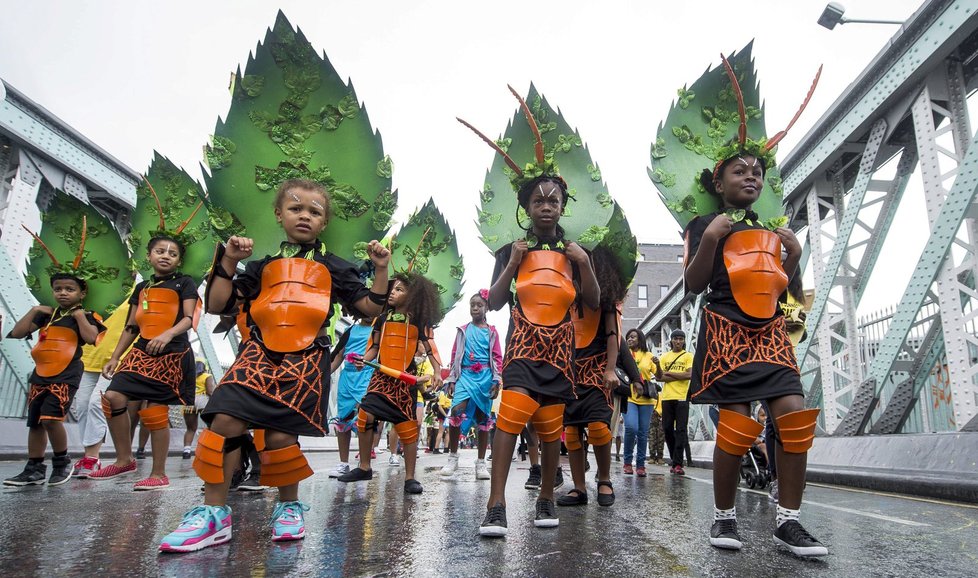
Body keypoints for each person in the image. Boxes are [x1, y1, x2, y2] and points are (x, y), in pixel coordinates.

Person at [159, 178, 391, 552]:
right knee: (224, 420)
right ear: (278, 213)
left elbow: (371, 307)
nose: (305, 216)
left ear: (324, 222)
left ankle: (288, 506)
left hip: (306, 357)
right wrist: (229, 261)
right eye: (296, 208)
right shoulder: (262, 266)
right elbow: (219, 304)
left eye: (315, 212)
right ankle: (213, 513)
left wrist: (381, 269)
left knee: (282, 435)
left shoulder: (336, 267)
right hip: (258, 354)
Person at [682, 56, 826, 557]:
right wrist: (709, 241)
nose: (751, 177)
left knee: (794, 418)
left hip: (770, 334)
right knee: (739, 427)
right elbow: (692, 286)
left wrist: (796, 257)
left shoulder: (771, 231)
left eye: (757, 172)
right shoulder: (705, 226)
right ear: (718, 184)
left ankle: (789, 521)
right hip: (726, 333)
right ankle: (724, 517)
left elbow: (789, 295)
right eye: (739, 171)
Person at [92, 234, 200, 490]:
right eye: (160, 251)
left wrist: (168, 334)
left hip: (172, 351)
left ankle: (159, 473)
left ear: (179, 261)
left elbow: (188, 318)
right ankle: (124, 459)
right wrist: (115, 357)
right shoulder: (142, 288)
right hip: (141, 350)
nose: (166, 256)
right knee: (113, 398)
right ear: (149, 256)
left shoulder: (184, 283)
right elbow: (132, 326)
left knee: (154, 411)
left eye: (173, 253)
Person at [337, 271, 444, 494]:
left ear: (412, 295)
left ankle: (410, 478)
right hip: (381, 379)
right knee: (365, 415)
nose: (392, 293)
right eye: (392, 289)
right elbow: (374, 347)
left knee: (408, 428)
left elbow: (431, 350)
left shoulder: (418, 322)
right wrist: (362, 360)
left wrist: (436, 371)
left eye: (399, 289)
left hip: (406, 382)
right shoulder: (382, 319)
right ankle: (364, 467)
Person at [4, 262, 105, 486]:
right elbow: (18, 333)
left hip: (66, 373)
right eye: (58, 289)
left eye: (70, 289)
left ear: (82, 292)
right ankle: (34, 468)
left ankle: (61, 463)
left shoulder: (89, 315)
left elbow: (91, 338)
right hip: (41, 372)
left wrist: (79, 315)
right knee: (36, 422)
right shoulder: (46, 315)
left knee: (51, 418)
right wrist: (35, 310)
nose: (63, 293)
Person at [557, 246, 626, 507]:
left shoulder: (606, 298)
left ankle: (604, 480)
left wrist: (610, 368)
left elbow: (613, 336)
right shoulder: (567, 294)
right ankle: (579, 487)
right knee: (572, 431)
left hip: (597, 370)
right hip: (569, 371)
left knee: (599, 427)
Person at [440, 290, 503, 480]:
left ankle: (481, 463)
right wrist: (451, 379)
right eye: (472, 305)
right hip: (465, 375)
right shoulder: (463, 330)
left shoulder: (492, 331)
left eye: (479, 305)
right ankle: (452, 458)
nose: (475, 308)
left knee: (483, 418)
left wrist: (496, 379)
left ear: (486, 308)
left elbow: (498, 357)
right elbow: (454, 356)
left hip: (485, 377)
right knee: (457, 410)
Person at [328, 316, 376, 478]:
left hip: (367, 377)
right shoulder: (350, 331)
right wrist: (323, 376)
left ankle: (364, 464)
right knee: (342, 420)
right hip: (346, 379)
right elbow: (338, 355)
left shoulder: (379, 330)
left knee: (364, 419)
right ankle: (343, 463)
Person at [654, 329, 692, 475]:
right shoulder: (664, 357)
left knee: (681, 430)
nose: (678, 341)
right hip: (667, 398)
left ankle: (677, 464)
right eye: (675, 339)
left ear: (684, 341)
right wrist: (674, 375)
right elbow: (659, 377)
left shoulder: (688, 356)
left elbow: (689, 375)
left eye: (681, 339)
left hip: (682, 397)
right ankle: (673, 458)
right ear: (671, 341)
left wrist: (669, 374)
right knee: (668, 429)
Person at [623, 328, 656, 476]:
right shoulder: (623, 355)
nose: (630, 339)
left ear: (640, 339)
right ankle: (627, 462)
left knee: (643, 433)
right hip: (629, 396)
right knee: (631, 428)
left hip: (646, 399)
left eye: (633, 337)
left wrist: (659, 364)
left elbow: (659, 375)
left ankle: (641, 465)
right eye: (628, 337)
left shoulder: (648, 355)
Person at [182, 358, 216, 459]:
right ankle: (209, 449)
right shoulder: (207, 376)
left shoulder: (187, 376)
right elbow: (210, 391)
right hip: (202, 402)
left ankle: (186, 451)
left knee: (190, 429)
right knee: (211, 427)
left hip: (189, 402)